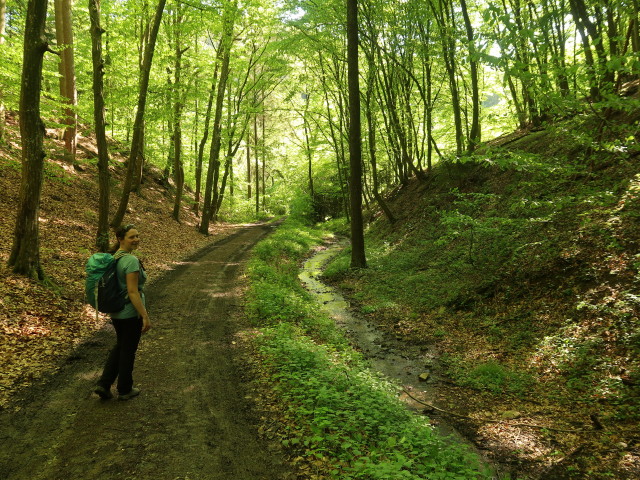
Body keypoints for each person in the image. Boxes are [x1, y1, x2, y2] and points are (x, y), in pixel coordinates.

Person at [94, 224, 152, 401]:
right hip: (129, 312)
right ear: (120, 239)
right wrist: (144, 315)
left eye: (137, 236)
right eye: (131, 237)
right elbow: (133, 291)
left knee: (121, 346)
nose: (136, 239)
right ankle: (125, 389)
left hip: (116, 311)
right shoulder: (131, 261)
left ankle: (104, 384)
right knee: (128, 350)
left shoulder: (114, 257)